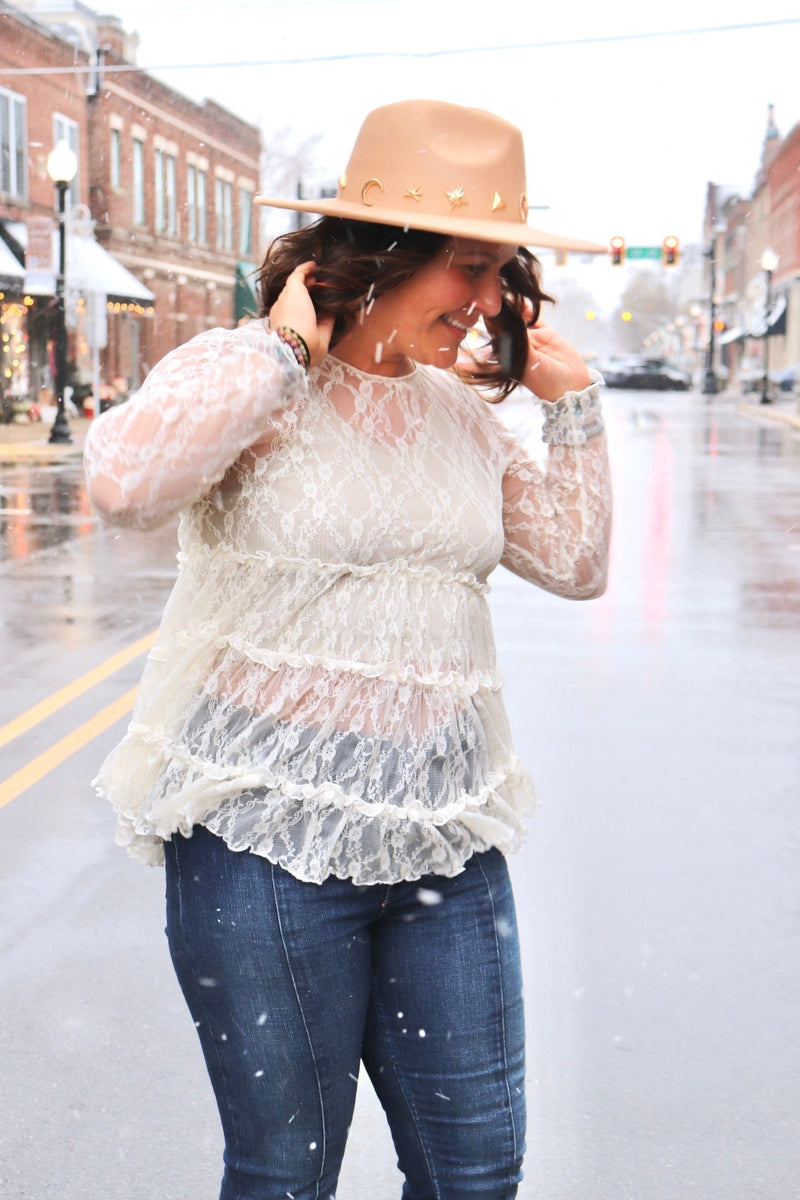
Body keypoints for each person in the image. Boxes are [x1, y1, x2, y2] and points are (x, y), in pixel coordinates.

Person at [84, 99, 612, 1200]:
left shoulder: (461, 416)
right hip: (261, 833)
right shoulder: (250, 375)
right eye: (467, 268)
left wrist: (570, 405)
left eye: (499, 271)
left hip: (443, 835)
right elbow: (125, 485)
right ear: (382, 257)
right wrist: (281, 349)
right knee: (285, 1173)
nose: (484, 303)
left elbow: (573, 561)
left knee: (475, 1169)